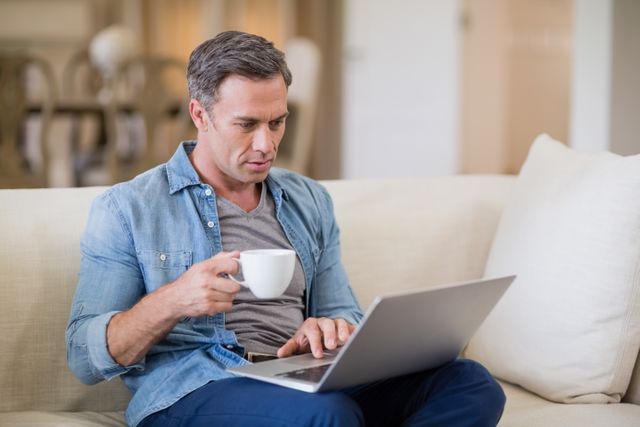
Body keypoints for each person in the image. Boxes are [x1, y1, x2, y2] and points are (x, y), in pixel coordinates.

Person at [66, 30, 506, 427]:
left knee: (469, 382)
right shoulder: (129, 208)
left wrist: (329, 329)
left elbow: (343, 311)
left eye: (277, 122)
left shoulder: (308, 199)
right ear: (200, 115)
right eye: (247, 125)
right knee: (327, 415)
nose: (267, 144)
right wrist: (174, 300)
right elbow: (84, 356)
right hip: (197, 385)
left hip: (298, 376)